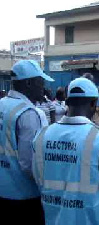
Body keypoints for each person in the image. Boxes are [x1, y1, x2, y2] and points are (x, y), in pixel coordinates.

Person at [32, 78, 99, 225]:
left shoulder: (42, 136)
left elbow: (38, 179)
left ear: (67, 102)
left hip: (54, 219)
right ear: (93, 103)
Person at [0, 60, 54, 224]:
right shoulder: (29, 113)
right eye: (40, 81)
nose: (43, 87)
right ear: (29, 83)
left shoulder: (2, 105)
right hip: (24, 197)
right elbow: (30, 165)